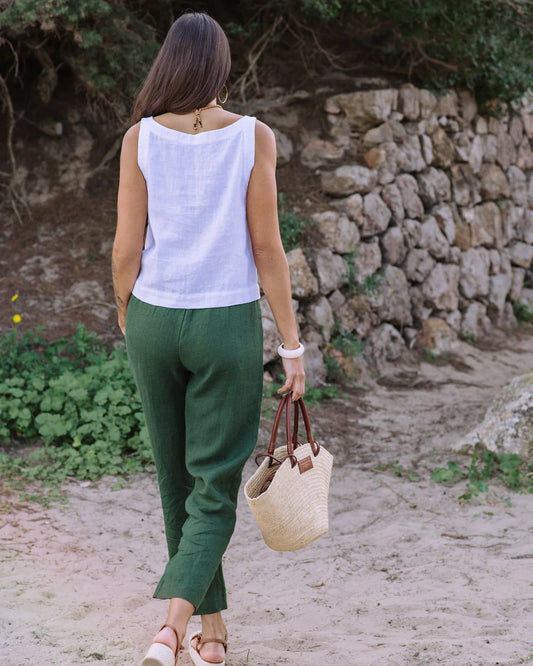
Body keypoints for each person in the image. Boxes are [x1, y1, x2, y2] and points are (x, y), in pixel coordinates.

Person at [112, 11, 305, 666]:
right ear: (221, 67)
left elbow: (125, 248)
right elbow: (266, 248)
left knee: (178, 481)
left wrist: (125, 311)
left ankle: (213, 634)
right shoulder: (253, 136)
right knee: (213, 486)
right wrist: (291, 345)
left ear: (168, 64)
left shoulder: (139, 138)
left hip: (152, 318)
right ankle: (171, 631)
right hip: (224, 323)